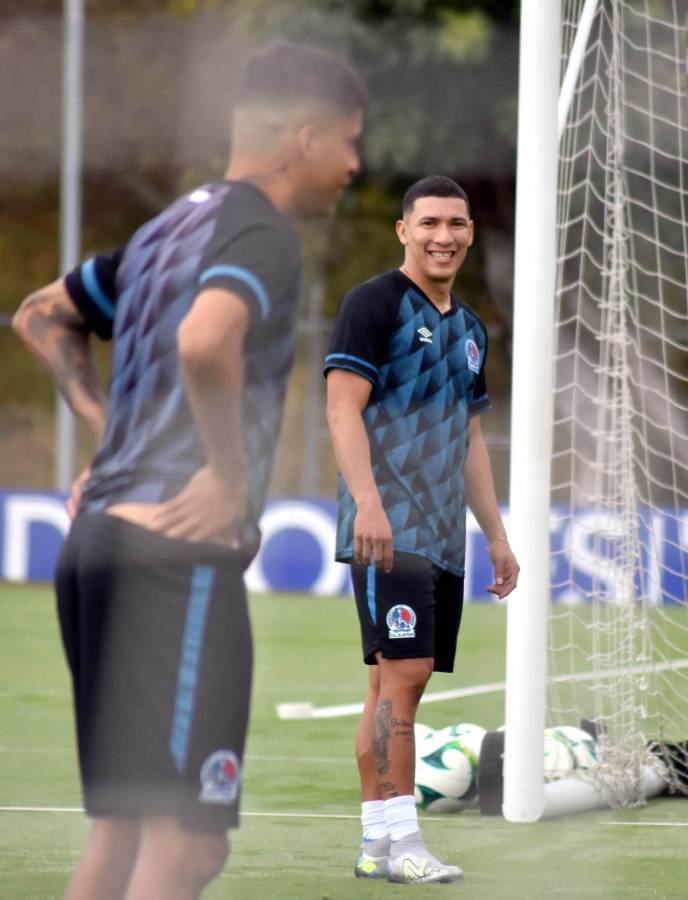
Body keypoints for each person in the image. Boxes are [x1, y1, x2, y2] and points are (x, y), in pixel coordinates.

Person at [13, 42, 366, 900]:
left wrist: (115, 439)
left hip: (97, 549)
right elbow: (206, 339)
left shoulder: (165, 228)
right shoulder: (262, 231)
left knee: (123, 838)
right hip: (170, 565)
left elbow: (40, 315)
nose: (355, 165)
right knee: (185, 848)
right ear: (305, 138)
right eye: (350, 142)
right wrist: (229, 476)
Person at [324, 175, 519, 885]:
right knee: (402, 680)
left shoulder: (470, 331)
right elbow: (341, 408)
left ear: (470, 233)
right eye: (430, 222)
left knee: (390, 685)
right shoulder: (373, 304)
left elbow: (470, 441)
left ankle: (377, 842)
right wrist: (368, 504)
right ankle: (406, 841)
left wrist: (495, 535)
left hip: (441, 534)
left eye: (456, 224)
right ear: (403, 230)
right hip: (387, 529)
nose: (444, 236)